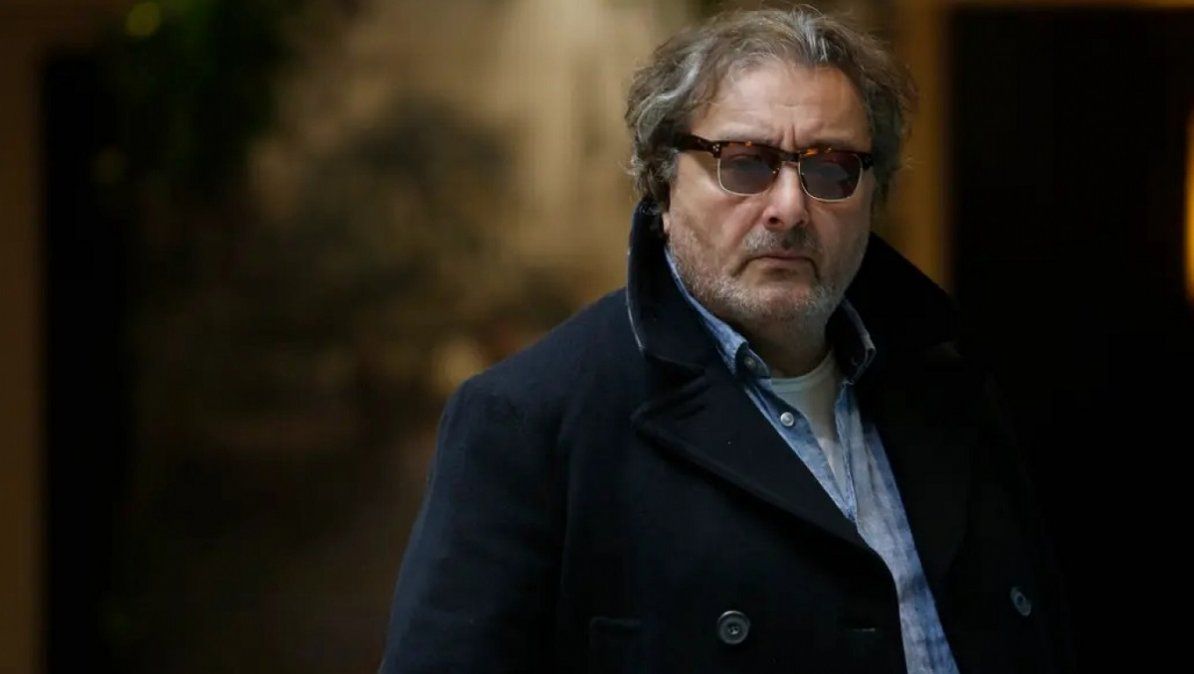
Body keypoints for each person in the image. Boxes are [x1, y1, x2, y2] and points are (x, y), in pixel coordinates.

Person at [380, 7, 1073, 673]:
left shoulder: (952, 392)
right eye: (745, 163)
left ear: (874, 195)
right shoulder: (528, 422)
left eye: (831, 169)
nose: (790, 208)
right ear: (661, 186)